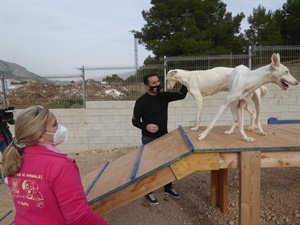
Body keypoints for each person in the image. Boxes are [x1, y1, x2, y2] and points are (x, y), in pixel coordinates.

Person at [1, 105, 109, 225]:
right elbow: (79, 217)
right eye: (54, 124)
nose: (60, 128)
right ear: (40, 136)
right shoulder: (60, 166)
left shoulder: (15, 158)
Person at [132, 73, 188, 205]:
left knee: (167, 163)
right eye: (154, 83)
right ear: (147, 86)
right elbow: (135, 121)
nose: (157, 85)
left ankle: (168, 188)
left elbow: (182, 94)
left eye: (158, 82)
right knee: (149, 166)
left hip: (164, 136)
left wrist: (185, 78)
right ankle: (149, 192)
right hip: (149, 138)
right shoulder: (141, 101)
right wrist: (146, 126)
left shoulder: (164, 96)